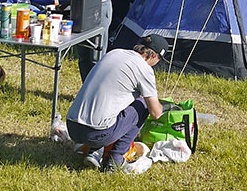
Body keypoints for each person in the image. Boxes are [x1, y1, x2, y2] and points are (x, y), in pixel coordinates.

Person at [65, 34, 169, 172]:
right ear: (154, 56)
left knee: (115, 102)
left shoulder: (114, 53)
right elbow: (155, 113)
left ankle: (94, 152)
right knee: (143, 104)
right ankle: (116, 160)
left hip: (72, 127)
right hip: (95, 133)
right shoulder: (144, 68)